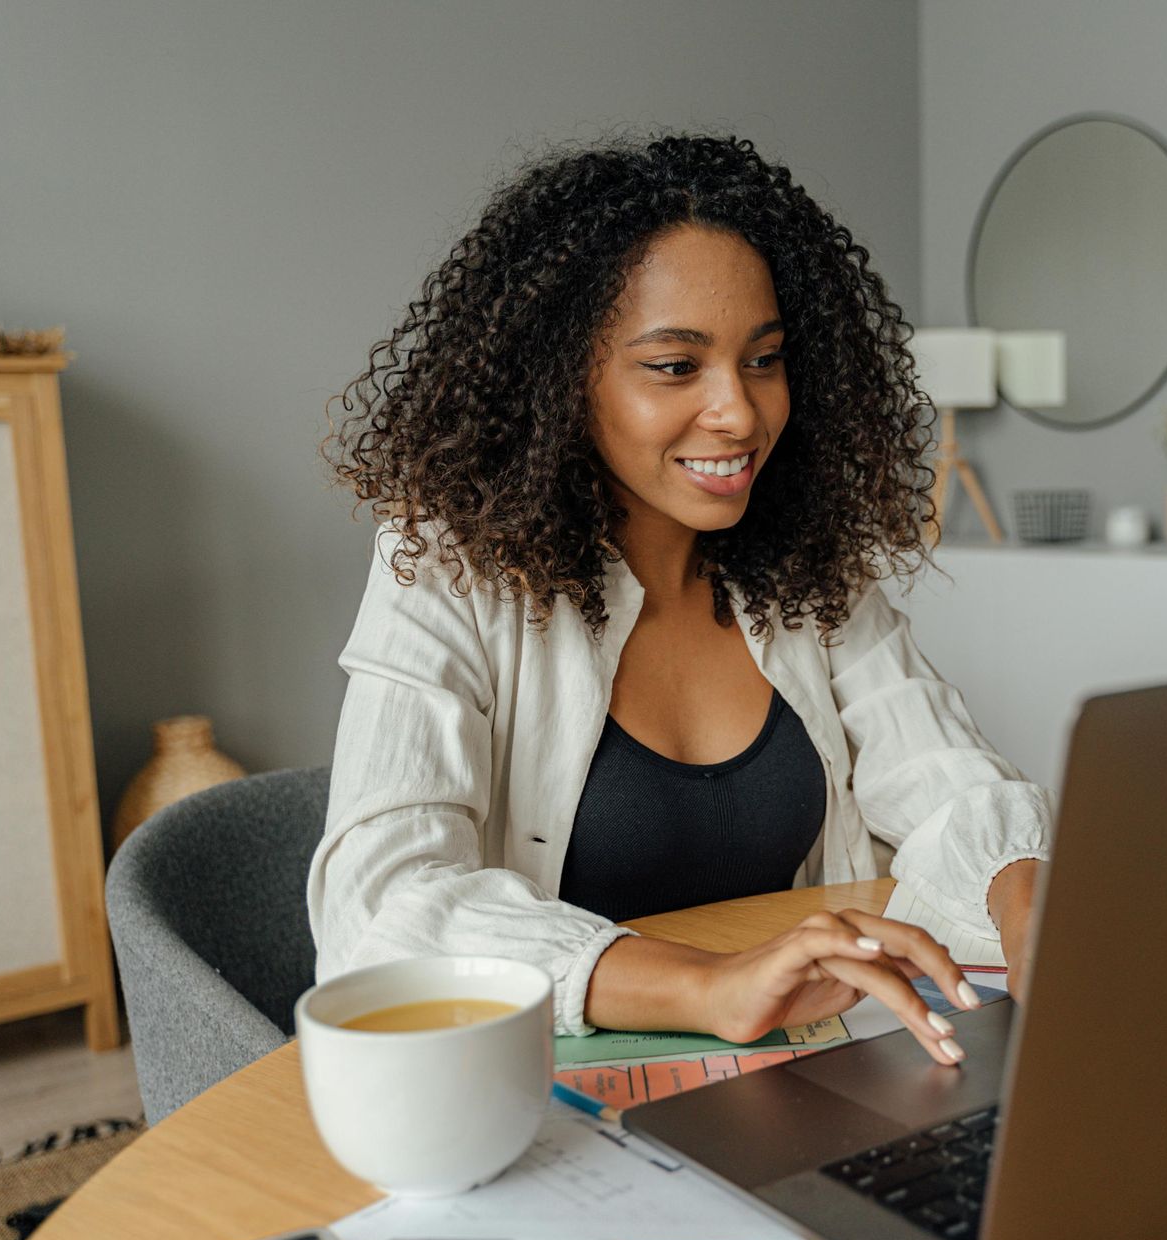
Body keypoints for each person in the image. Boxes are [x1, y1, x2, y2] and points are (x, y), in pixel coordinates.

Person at [310, 133, 1052, 1067]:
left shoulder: (805, 565)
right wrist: (708, 986)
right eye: (674, 367)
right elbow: (380, 903)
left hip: (799, 1062)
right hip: (540, 1089)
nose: (739, 413)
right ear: (562, 379)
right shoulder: (449, 566)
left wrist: (1036, 926)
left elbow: (947, 778)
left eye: (765, 359)